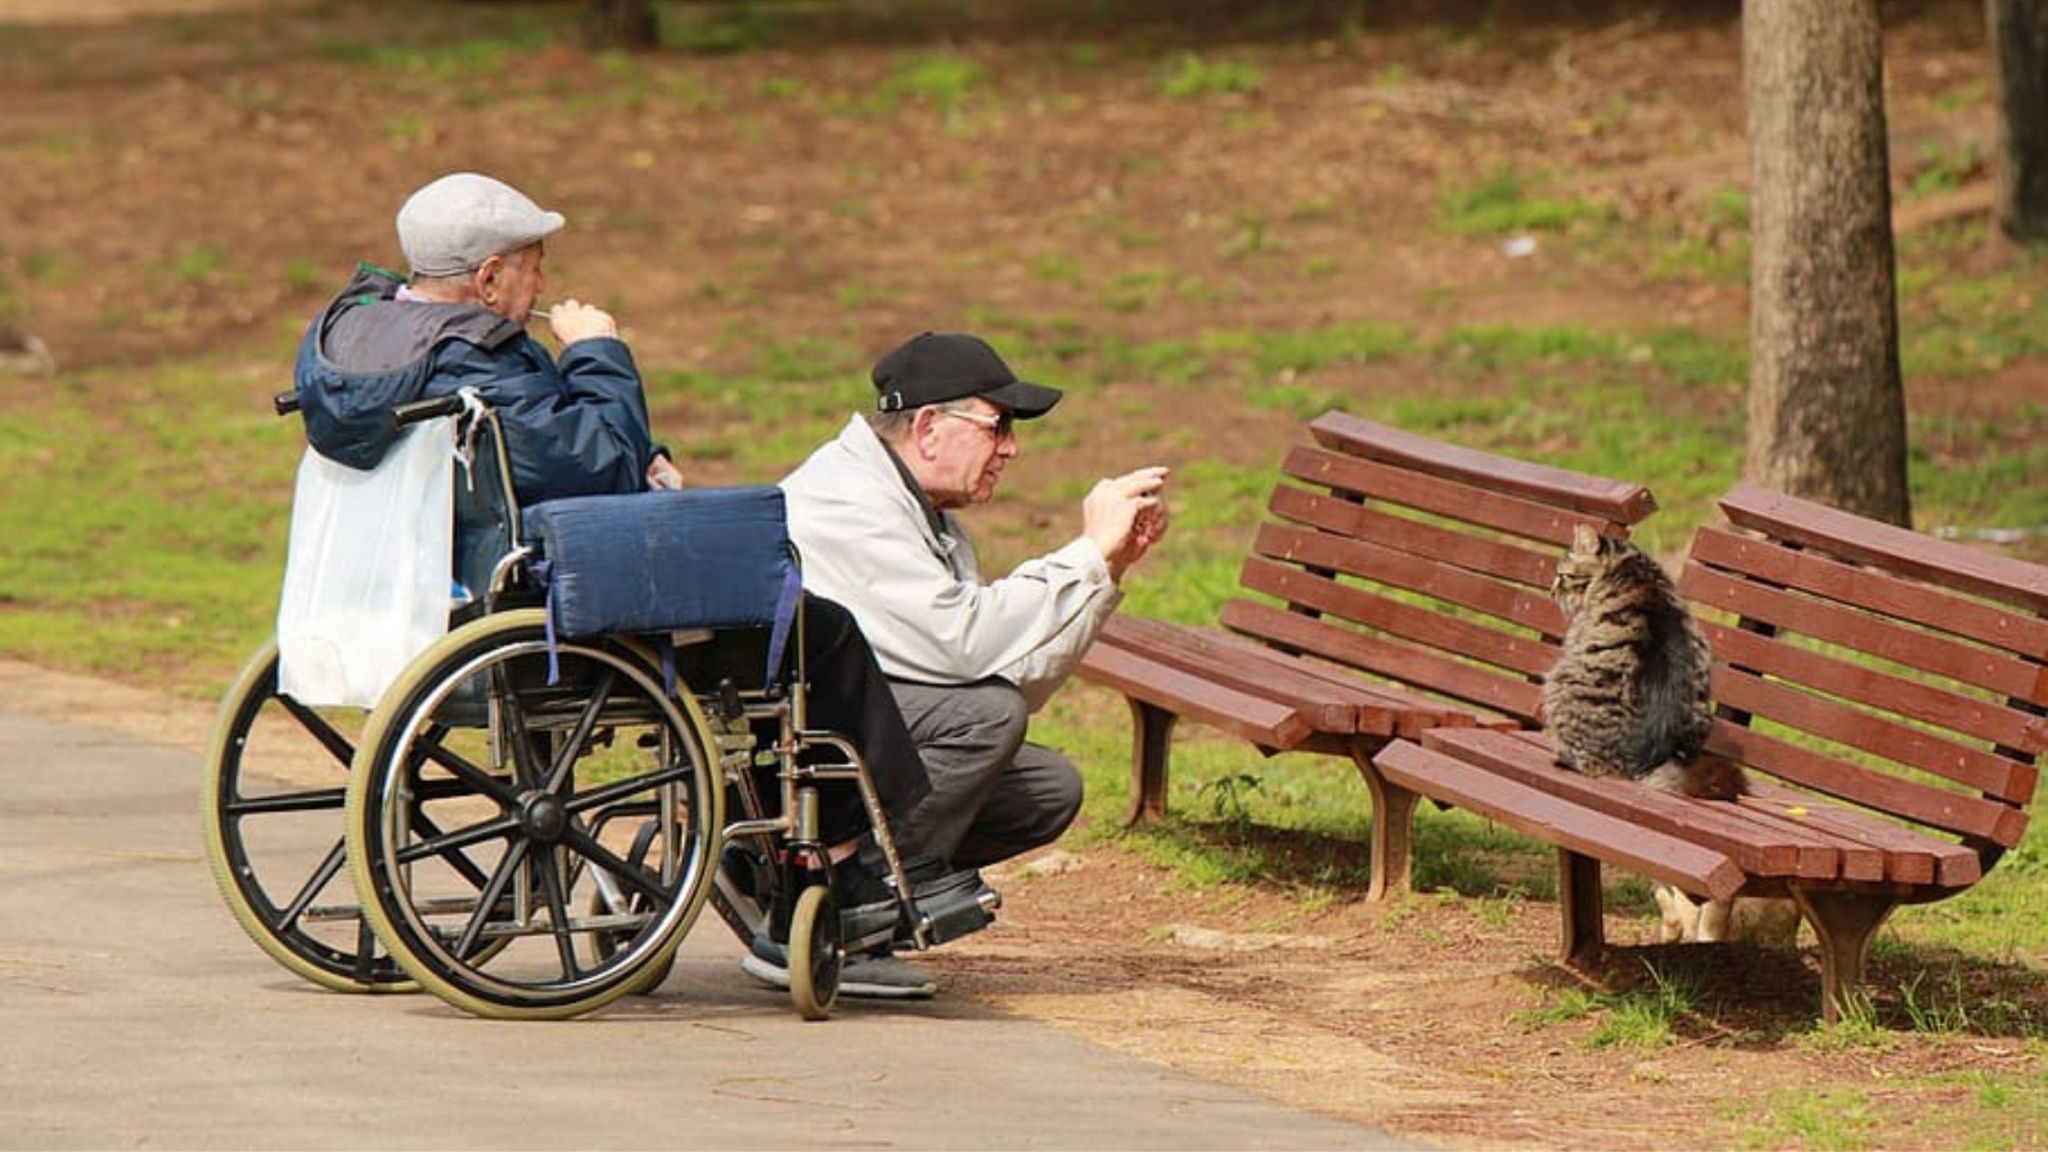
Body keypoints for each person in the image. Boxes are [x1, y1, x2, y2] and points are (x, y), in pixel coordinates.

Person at [290, 172, 963, 998]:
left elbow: (560, 455)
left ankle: (808, 862)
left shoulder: (360, 343)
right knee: (812, 631)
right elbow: (596, 462)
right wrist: (599, 352)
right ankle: (870, 867)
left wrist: (632, 454)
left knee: (769, 623)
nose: (542, 286)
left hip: (424, 599)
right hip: (550, 616)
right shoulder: (475, 357)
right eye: (533, 267)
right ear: (490, 276)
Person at [780, 331, 1170, 878]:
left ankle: (843, 889)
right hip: (790, 729)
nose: (1011, 448)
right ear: (929, 428)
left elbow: (1012, 676)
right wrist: (1083, 555)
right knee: (983, 718)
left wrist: (1107, 569)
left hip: (843, 716)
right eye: (998, 426)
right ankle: (845, 897)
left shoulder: (929, 515)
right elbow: (963, 647)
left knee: (1045, 789)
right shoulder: (850, 502)